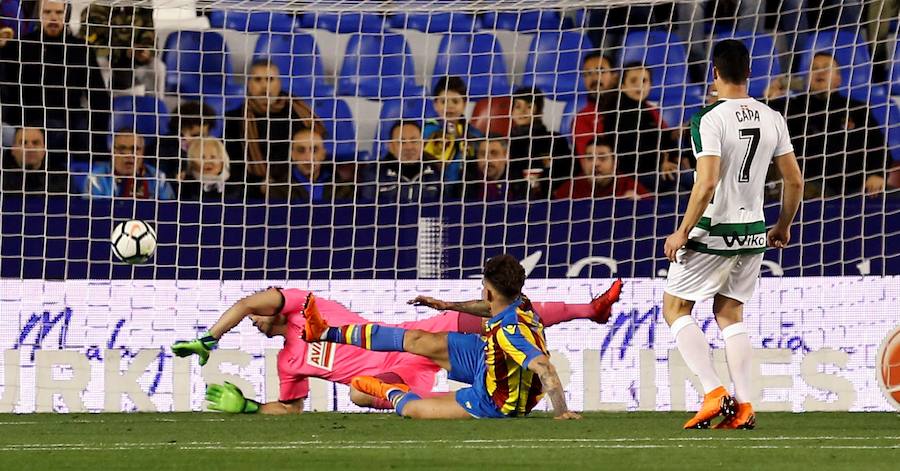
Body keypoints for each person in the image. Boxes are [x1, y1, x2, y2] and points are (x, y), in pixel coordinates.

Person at [171, 280, 624, 415]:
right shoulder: (288, 362)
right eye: (250, 319)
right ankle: (425, 403)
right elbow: (291, 410)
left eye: (256, 314)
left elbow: (249, 299)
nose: (253, 318)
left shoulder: (306, 307)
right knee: (355, 393)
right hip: (399, 375)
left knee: (500, 313)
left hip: (413, 338)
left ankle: (590, 309)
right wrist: (250, 408)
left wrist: (212, 337)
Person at [662, 40, 803, 430]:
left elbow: (706, 182)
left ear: (715, 74)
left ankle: (713, 392)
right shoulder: (772, 116)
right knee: (729, 313)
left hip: (714, 229)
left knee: (674, 308)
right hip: (755, 232)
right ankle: (744, 405)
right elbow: (794, 180)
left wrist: (682, 231)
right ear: (750, 73)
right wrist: (783, 225)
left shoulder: (709, 118)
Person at [300, 255, 589, 420]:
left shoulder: (509, 332)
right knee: (417, 339)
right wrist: (447, 305)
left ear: (488, 289)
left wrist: (562, 411)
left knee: (414, 410)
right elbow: (488, 308)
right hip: (487, 358)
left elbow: (544, 366)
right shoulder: (518, 300)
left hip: (494, 401)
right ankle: (326, 332)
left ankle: (387, 391)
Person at [769, 52, 888, 198]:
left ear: (838, 79)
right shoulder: (791, 108)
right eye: (814, 68)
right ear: (807, 79)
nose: (820, 72)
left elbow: (879, 146)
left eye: (826, 68)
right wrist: (769, 97)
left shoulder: (857, 109)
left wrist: (877, 174)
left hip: (855, 188)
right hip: (808, 188)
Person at [0, 0, 109, 155]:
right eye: (47, 12)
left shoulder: (80, 49)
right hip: (27, 120)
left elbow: (97, 95)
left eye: (58, 13)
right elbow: (8, 91)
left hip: (68, 120)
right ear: (39, 15)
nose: (53, 18)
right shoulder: (20, 47)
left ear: (66, 15)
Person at [224, 60, 322, 199]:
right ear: (248, 84)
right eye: (258, 80)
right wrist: (260, 184)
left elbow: (310, 152)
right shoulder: (235, 119)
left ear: (279, 83)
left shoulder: (297, 113)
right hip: (253, 188)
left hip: (294, 186)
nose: (265, 86)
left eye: (270, 79)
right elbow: (233, 164)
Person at [602, 63, 678, 190]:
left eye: (644, 81)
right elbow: (630, 151)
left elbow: (658, 138)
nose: (639, 85)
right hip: (633, 175)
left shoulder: (645, 109)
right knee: (688, 180)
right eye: (633, 81)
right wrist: (661, 162)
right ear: (622, 86)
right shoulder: (618, 112)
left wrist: (673, 135)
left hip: (654, 169)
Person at [508, 87, 573, 199]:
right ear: (512, 111)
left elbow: (566, 174)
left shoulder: (555, 140)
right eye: (518, 106)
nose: (522, 111)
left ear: (539, 111)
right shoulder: (507, 144)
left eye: (529, 106)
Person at [266, 127, 353, 202]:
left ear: (323, 154)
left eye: (315, 150)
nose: (308, 158)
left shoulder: (342, 188)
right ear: (293, 155)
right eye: (301, 150)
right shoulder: (277, 190)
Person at [422, 76, 481, 185]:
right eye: (443, 102)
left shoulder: (475, 135)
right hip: (436, 189)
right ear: (435, 105)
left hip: (468, 192)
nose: (449, 106)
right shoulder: (427, 132)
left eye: (455, 101)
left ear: (464, 104)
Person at [84, 130, 175, 200]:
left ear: (143, 152)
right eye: (122, 149)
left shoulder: (158, 178)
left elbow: (169, 212)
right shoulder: (96, 179)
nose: (129, 155)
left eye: (135, 149)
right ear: (113, 152)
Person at [553, 136, 649, 200]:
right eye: (590, 158)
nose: (595, 164)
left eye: (602, 158)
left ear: (615, 163)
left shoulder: (629, 186)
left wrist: (640, 207)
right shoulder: (569, 189)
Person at [370, 121, 442, 203]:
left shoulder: (436, 171)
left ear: (422, 144)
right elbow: (366, 210)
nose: (409, 147)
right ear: (391, 147)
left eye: (414, 141)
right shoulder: (375, 172)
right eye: (402, 142)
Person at [573, 52, 618, 156]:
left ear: (614, 76)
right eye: (588, 73)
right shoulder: (582, 119)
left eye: (601, 71)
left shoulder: (641, 108)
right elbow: (590, 162)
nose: (594, 78)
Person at [0, 126, 67, 193]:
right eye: (24, 143)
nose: (30, 148)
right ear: (13, 150)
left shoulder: (61, 176)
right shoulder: (2, 177)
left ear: (44, 150)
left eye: (35, 143)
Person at [464, 137, 526, 202]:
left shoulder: (519, 183)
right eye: (482, 154)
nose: (487, 160)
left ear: (506, 156)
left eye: (494, 153)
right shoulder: (466, 183)